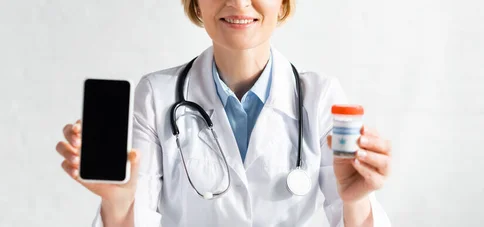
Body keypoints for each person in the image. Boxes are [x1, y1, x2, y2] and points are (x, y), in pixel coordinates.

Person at [55, 0, 393, 226]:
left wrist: (357, 201)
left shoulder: (320, 99)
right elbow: (134, 218)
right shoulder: (156, 96)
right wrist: (118, 203)